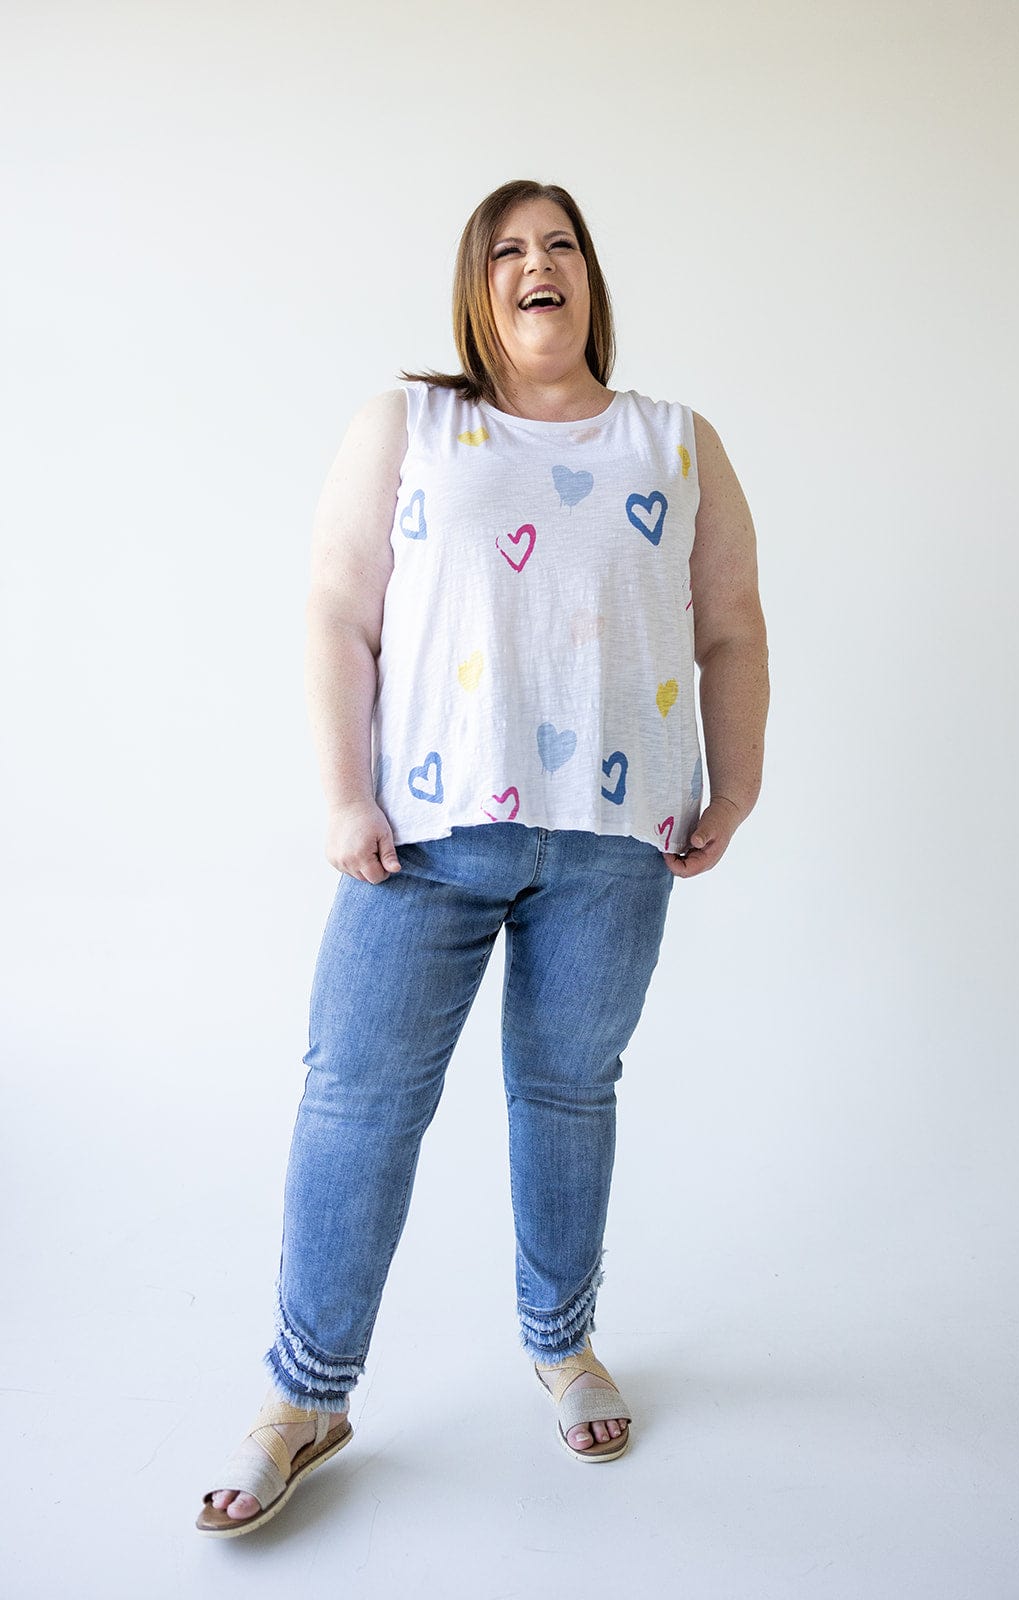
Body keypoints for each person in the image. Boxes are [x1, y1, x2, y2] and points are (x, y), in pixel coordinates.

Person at [196, 178, 769, 1536]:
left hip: (616, 844)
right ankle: (308, 1391)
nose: (537, 265)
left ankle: (561, 1342)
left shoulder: (675, 439)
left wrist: (733, 789)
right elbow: (339, 610)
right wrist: (345, 797)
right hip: (427, 837)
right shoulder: (411, 424)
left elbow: (733, 623)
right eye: (507, 249)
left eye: (561, 243)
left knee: (569, 1093)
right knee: (357, 1097)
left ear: (592, 278)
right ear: (477, 288)